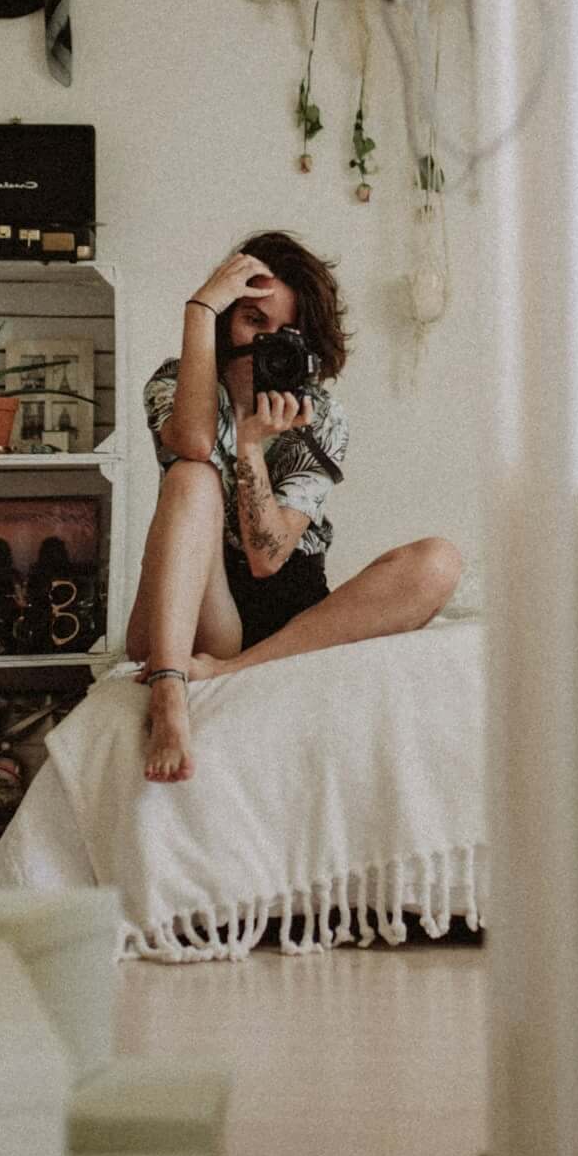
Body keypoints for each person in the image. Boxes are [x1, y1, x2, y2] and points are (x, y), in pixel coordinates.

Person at [127, 230, 462, 782]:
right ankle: (169, 692)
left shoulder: (322, 415)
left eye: (287, 333)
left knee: (440, 560)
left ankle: (230, 673)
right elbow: (191, 443)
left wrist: (253, 447)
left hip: (290, 612)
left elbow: (270, 557)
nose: (266, 345)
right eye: (253, 322)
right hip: (195, 607)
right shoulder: (176, 382)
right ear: (227, 319)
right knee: (191, 476)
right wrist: (197, 308)